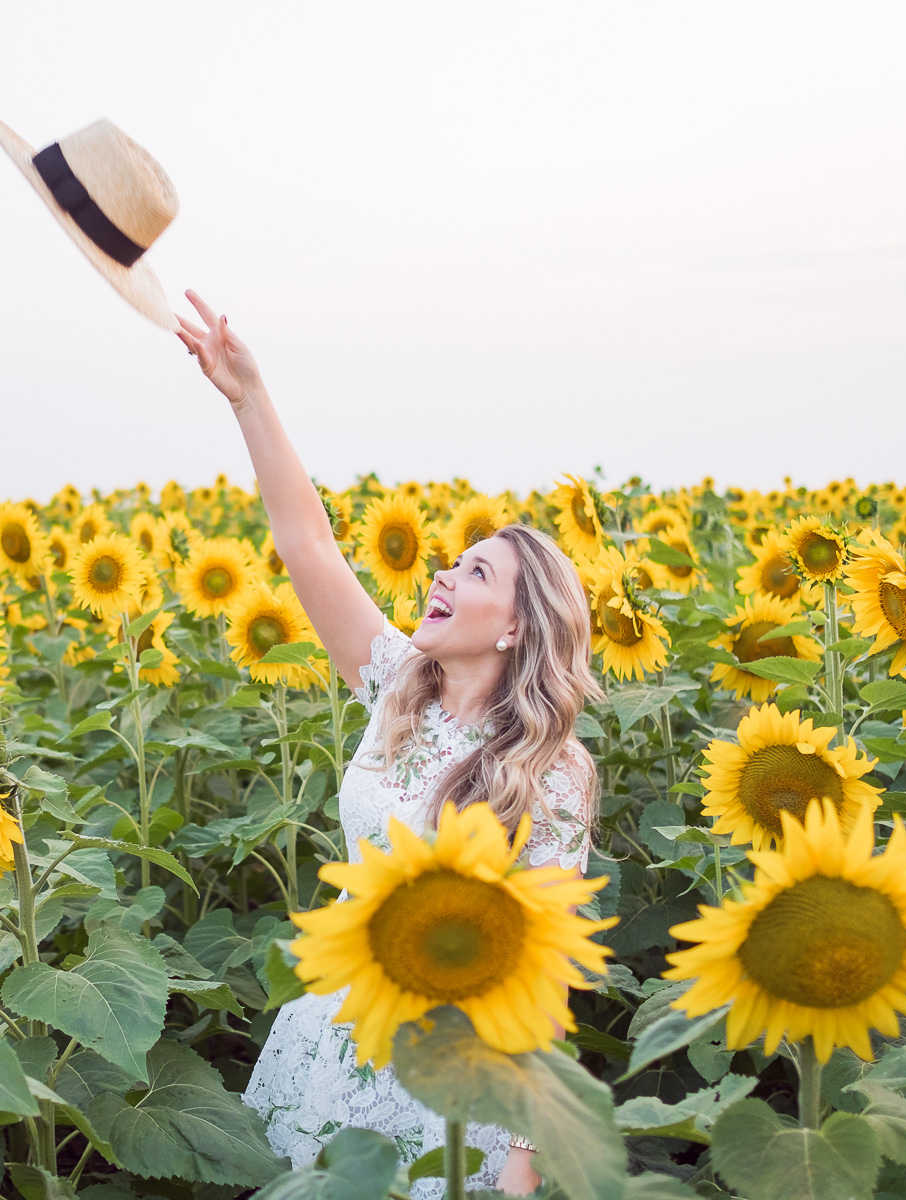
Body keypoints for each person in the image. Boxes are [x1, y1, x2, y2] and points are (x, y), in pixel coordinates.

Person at [175, 291, 606, 1197]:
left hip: (457, 1084)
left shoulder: (548, 773)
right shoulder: (395, 683)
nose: (446, 572)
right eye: (457, 559)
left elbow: (548, 976)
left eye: (477, 572)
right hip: (340, 1039)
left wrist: (526, 1169)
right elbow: (306, 545)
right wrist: (247, 395)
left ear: (517, 631)